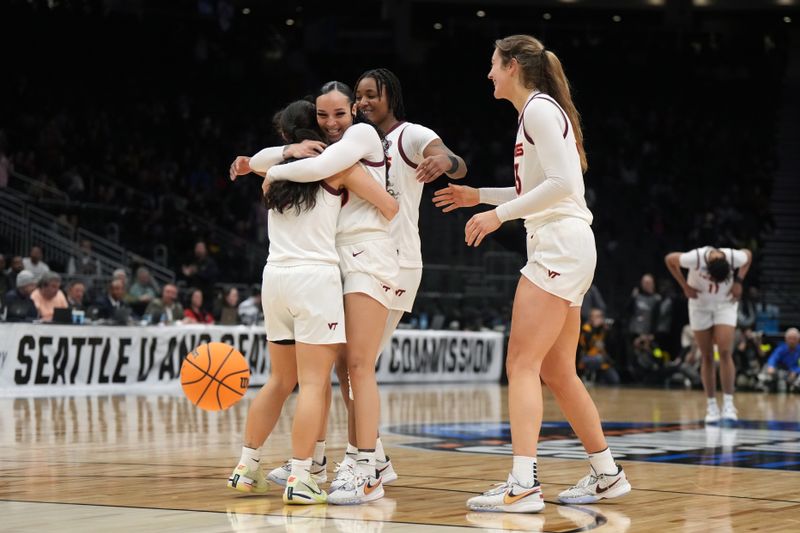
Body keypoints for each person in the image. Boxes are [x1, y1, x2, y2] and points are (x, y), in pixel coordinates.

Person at [434, 34, 631, 512]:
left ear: (514, 67)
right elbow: (543, 186)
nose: (489, 74)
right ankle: (607, 473)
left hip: (558, 244)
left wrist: (496, 217)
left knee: (521, 365)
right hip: (569, 245)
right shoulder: (538, 112)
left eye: (493, 65)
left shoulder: (540, 110)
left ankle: (522, 484)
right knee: (557, 370)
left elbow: (563, 185)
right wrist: (477, 195)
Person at [226, 97, 397, 506]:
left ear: (287, 135)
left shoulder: (271, 172)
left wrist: (279, 157)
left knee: (280, 380)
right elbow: (390, 207)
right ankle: (302, 475)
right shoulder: (338, 168)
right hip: (314, 279)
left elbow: (259, 158)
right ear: (317, 132)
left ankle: (246, 467)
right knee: (316, 384)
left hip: (274, 279)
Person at [665, 245, 752, 423]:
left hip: (725, 304)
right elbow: (670, 259)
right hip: (699, 305)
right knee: (707, 355)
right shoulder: (693, 258)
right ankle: (711, 405)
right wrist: (684, 286)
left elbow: (748, 255)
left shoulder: (733, 257)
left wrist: (739, 281)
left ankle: (729, 404)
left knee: (725, 351)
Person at [579, 308, 620, 385]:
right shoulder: (586, 328)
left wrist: (609, 331)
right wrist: (595, 327)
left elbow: (612, 344)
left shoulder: (604, 329)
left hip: (603, 360)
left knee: (614, 379)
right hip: (588, 358)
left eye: (599, 316)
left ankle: (598, 378)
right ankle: (587, 376)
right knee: (598, 358)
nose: (597, 319)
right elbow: (587, 345)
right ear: (590, 318)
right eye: (594, 316)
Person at [758, 327, 800, 392]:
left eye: (794, 339)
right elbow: (773, 358)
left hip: (795, 374)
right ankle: (763, 386)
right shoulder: (781, 349)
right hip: (782, 372)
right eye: (790, 338)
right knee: (767, 368)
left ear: (798, 340)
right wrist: (771, 366)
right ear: (786, 339)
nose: (792, 341)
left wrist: (795, 371)